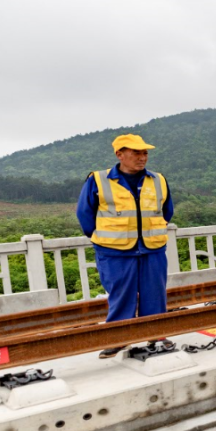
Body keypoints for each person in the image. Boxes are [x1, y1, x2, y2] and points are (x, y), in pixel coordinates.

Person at [76, 133, 174, 356]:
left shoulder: (158, 180)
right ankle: (119, 338)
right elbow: (85, 214)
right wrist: (106, 237)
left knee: (155, 294)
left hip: (152, 248)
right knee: (121, 294)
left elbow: (166, 211)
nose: (142, 157)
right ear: (120, 154)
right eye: (136, 152)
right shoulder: (98, 180)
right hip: (114, 251)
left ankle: (156, 335)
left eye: (145, 152)